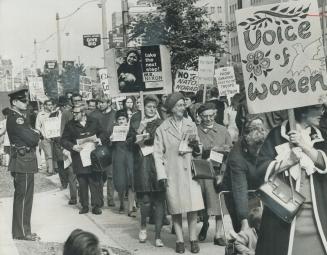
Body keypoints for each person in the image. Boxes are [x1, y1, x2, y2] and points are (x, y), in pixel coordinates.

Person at [255, 105, 327, 255]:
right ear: (303, 110)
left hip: (319, 211)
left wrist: (304, 146)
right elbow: (260, 169)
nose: (323, 112)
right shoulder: (276, 135)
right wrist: (287, 161)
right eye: (318, 108)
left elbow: (324, 162)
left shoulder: (322, 135)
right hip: (284, 213)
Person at [154, 92, 204, 253]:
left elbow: (198, 150)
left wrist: (197, 147)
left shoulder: (191, 124)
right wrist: (161, 175)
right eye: (180, 105)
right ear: (172, 108)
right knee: (176, 208)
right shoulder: (162, 128)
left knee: (192, 207)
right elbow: (157, 153)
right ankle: (180, 241)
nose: (183, 108)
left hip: (190, 171)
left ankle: (193, 239)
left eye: (184, 104)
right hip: (172, 172)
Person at [127, 95, 166, 247]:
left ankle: (158, 235)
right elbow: (128, 143)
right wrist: (140, 130)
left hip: (157, 163)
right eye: (148, 106)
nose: (151, 109)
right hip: (142, 163)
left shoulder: (161, 122)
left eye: (153, 107)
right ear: (143, 107)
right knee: (145, 200)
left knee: (159, 200)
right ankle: (143, 227)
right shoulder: (136, 121)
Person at [61, 103, 109, 215]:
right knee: (82, 183)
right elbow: (63, 140)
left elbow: (104, 133)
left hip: (93, 157)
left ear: (83, 113)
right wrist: (73, 146)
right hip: (79, 157)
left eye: (76, 113)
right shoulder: (70, 125)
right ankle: (85, 205)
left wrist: (99, 139)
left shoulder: (94, 121)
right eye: (73, 112)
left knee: (95, 182)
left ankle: (96, 205)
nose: (74, 115)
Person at [221, 116, 267, 233]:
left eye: (260, 148)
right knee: (245, 230)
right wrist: (244, 221)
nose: (258, 153)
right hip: (236, 192)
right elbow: (240, 190)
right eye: (255, 149)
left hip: (259, 188)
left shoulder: (266, 144)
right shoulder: (236, 157)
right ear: (247, 141)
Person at [196, 102, 233, 245]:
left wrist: (223, 149)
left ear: (215, 114)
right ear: (200, 116)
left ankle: (218, 234)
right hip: (204, 171)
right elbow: (193, 150)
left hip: (220, 171)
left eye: (211, 115)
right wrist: (205, 151)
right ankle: (205, 224)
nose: (209, 119)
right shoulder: (196, 130)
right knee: (205, 202)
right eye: (205, 116)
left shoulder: (223, 130)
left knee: (220, 202)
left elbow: (230, 148)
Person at [6, 87, 41, 241]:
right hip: (23, 161)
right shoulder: (16, 119)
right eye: (23, 100)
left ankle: (23, 230)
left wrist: (34, 133)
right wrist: (36, 134)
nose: (26, 103)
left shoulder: (19, 116)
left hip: (23, 161)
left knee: (25, 196)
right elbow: (33, 139)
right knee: (24, 197)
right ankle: (21, 232)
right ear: (14, 102)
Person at [90, 95, 116, 207]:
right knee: (99, 174)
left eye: (102, 102)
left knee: (110, 174)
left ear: (109, 102)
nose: (99, 104)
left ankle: (110, 198)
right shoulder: (93, 114)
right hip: (98, 148)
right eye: (98, 102)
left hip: (111, 147)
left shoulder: (115, 114)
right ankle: (99, 199)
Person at [110, 110, 135, 216]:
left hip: (129, 157)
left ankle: (130, 208)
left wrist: (129, 139)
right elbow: (110, 147)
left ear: (127, 120)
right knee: (120, 182)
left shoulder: (131, 130)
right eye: (119, 119)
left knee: (131, 182)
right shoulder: (113, 130)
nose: (121, 121)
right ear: (116, 121)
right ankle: (121, 204)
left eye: (123, 119)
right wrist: (110, 140)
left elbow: (135, 140)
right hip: (118, 158)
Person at [35, 99, 55, 175]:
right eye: (48, 105)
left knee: (54, 154)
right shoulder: (40, 114)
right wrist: (42, 134)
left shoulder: (55, 113)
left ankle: (55, 169)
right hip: (45, 137)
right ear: (45, 106)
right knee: (49, 155)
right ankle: (50, 170)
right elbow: (37, 126)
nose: (50, 106)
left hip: (55, 137)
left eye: (51, 105)